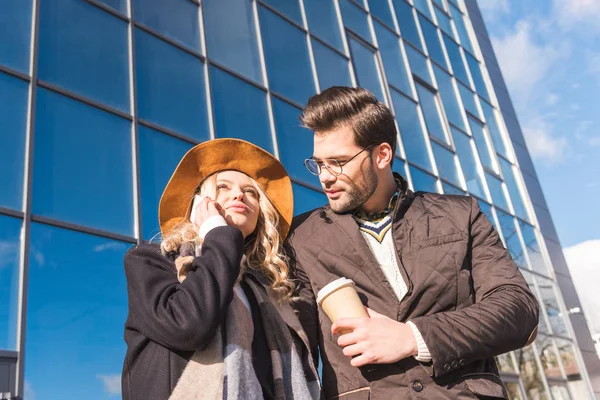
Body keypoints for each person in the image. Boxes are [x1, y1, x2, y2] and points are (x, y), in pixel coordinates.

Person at [286, 87, 539, 399]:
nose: (324, 177)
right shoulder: (301, 237)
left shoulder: (460, 214)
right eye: (318, 163)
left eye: (337, 162)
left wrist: (413, 337)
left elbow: (519, 310)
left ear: (381, 155)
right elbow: (290, 345)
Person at [121, 138, 320, 400]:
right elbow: (187, 325)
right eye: (223, 187)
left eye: (251, 192)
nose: (239, 195)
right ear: (197, 203)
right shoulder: (149, 261)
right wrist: (218, 235)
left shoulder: (268, 292)